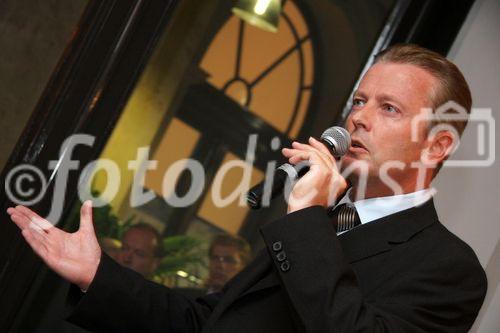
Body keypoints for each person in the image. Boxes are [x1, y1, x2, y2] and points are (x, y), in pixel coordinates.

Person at [7, 44, 487, 332]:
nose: (357, 117)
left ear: (436, 145)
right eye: (359, 100)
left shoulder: (449, 269)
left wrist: (306, 221)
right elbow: (209, 322)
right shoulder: (320, 221)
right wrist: (97, 273)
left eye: (389, 108)